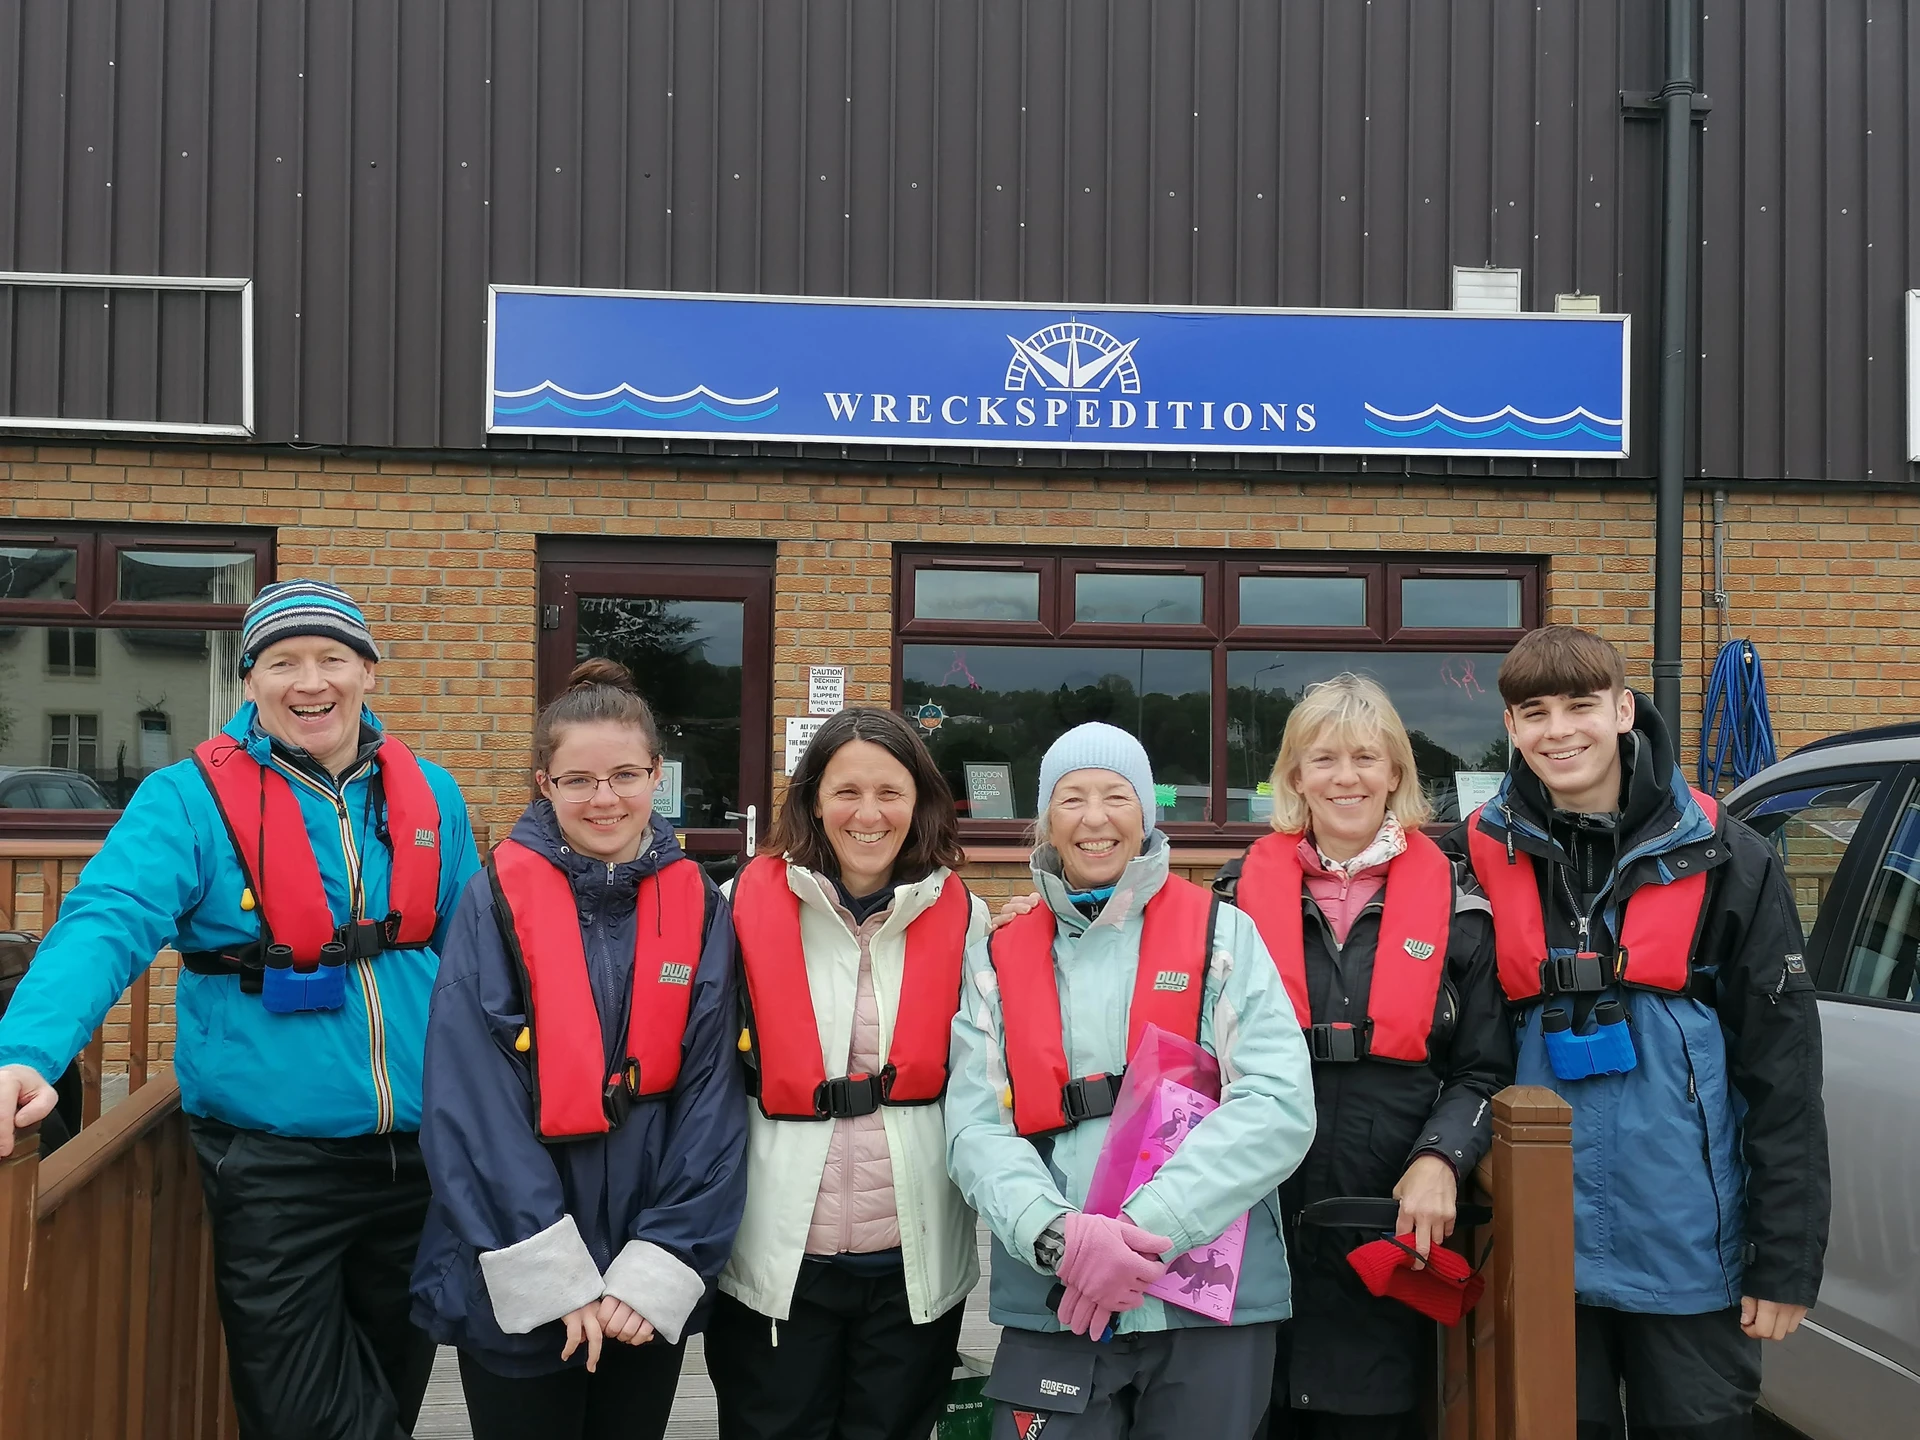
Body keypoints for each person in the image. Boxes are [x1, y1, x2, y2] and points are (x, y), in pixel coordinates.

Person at [0, 578, 480, 1439]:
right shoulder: (186, 800)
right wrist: (27, 1051)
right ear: (249, 679)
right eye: (283, 662)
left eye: (333, 658)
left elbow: (478, 959)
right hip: (273, 1162)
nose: (311, 682)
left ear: (368, 672)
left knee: (390, 1391)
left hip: (419, 1157)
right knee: (300, 1415)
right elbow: (107, 920)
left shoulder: (432, 795)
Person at [1443, 626, 1828, 1440]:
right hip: (1536, 1245)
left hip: (1687, 1252)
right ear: (1510, 727)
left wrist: (1785, 1259)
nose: (1559, 732)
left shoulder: (1730, 855)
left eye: (1580, 706)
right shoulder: (1473, 854)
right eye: (1535, 713)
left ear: (1623, 711)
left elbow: (1783, 1072)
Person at [947, 722, 1317, 1440]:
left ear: (1145, 812)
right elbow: (974, 1128)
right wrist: (1059, 1239)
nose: (1095, 819)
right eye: (1071, 798)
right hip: (1055, 1296)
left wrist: (1145, 1231)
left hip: (1207, 1301)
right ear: (1046, 819)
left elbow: (1277, 1103)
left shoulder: (1223, 936)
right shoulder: (996, 956)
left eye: (1116, 796)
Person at [411, 658, 747, 1440]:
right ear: (545, 784)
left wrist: (660, 1257)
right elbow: (471, 1103)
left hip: (643, 1262)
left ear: (657, 776)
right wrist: (553, 1272)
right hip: (516, 1252)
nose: (605, 799)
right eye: (578, 780)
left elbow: (713, 1100)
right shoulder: (492, 899)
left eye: (625, 775)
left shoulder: (699, 904)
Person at [1208, 675, 1512, 1440]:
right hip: (1253, 1222)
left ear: (1397, 773)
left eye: (1366, 758)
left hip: (1389, 1223)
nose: (1346, 778)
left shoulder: (1462, 906)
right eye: (1324, 759)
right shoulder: (1231, 899)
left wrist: (1443, 1158)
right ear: (1294, 776)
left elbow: (1483, 1069)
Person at [708, 707, 988, 1440]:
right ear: (812, 800)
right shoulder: (735, 908)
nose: (869, 814)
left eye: (890, 792)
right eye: (846, 792)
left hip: (912, 1261)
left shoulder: (969, 920)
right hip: (775, 1257)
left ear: (921, 802)